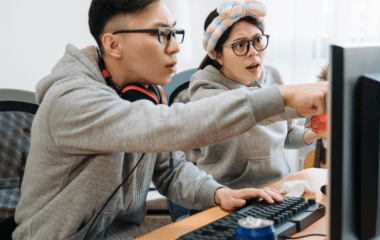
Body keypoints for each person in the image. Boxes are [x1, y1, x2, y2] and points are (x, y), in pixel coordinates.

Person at [12, 0, 328, 239]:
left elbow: (171, 170)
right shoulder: (71, 100)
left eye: (175, 32)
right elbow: (171, 126)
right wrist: (282, 96)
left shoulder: (142, 93)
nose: (176, 46)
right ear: (113, 44)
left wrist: (219, 193)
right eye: (162, 34)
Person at [188, 0, 325, 190]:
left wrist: (315, 133)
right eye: (240, 45)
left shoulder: (273, 75)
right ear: (216, 54)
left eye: (258, 40)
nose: (253, 52)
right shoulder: (204, 87)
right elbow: (245, 106)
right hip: (228, 195)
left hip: (278, 188)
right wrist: (290, 97)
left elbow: (287, 135)